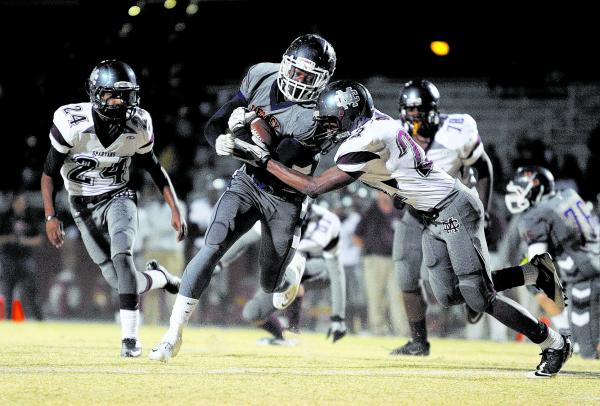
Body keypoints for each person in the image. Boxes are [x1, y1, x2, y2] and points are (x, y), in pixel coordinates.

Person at [234, 79, 572, 377]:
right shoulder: (376, 121)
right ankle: (532, 273)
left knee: (478, 295)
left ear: (348, 118)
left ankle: (554, 344)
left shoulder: (362, 143)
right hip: (429, 214)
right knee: (449, 294)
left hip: (453, 207)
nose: (325, 127)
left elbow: (311, 186)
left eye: (330, 121)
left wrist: (262, 159)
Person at [149, 34, 337, 362]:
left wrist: (242, 135)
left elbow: (275, 158)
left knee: (270, 282)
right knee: (210, 249)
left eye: (309, 77)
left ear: (323, 81)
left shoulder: (321, 114)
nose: (299, 80)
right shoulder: (262, 74)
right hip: (248, 184)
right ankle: (172, 334)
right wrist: (222, 138)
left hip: (287, 198)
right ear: (285, 62)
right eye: (296, 71)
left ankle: (293, 269)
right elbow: (216, 122)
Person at [40, 59, 187, 357]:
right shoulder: (72, 124)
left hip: (119, 197)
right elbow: (48, 174)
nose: (121, 101)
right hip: (81, 204)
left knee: (122, 255)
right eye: (113, 94)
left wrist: (174, 208)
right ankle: (161, 278)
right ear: (96, 93)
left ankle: (129, 341)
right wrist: (51, 215)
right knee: (117, 279)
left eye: (126, 94)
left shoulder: (139, 125)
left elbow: (156, 170)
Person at [391, 79, 494, 356]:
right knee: (405, 273)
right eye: (409, 110)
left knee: (461, 282)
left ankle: (482, 296)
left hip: (452, 211)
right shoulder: (396, 135)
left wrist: (483, 212)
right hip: (417, 213)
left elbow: (483, 169)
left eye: (419, 110)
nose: (413, 116)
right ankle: (418, 342)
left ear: (433, 110)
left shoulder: (457, 131)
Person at [506, 166, 600, 359]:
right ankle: (568, 331)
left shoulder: (535, 215)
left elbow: (537, 264)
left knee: (590, 350)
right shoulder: (568, 195)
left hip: (586, 278)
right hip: (591, 260)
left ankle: (568, 332)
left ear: (537, 186)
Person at [242, 203, 346, 345]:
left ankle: (293, 328)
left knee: (296, 270)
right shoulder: (275, 213)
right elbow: (244, 240)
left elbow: (335, 269)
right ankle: (281, 337)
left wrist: (337, 317)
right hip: (283, 272)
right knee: (252, 312)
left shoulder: (326, 222)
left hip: (316, 269)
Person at [0, 191, 44, 320]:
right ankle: (8, 321)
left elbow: (39, 239)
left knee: (31, 292)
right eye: (19, 201)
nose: (21, 204)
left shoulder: (30, 217)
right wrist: (9, 239)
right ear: (13, 203)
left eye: (23, 202)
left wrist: (22, 241)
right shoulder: (4, 218)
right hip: (8, 258)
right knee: (7, 292)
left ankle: (39, 320)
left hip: (25, 259)